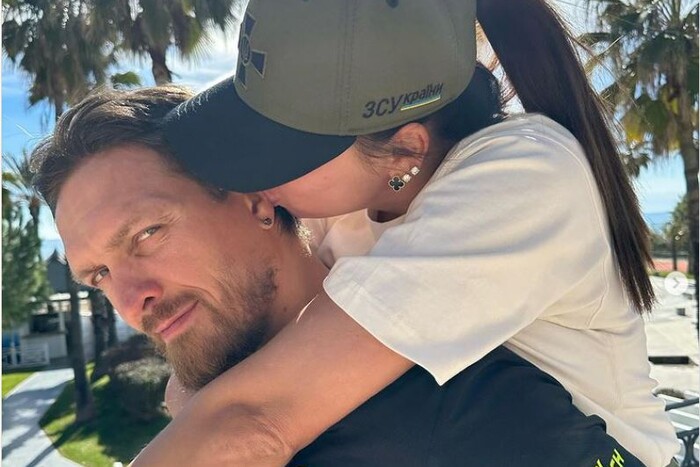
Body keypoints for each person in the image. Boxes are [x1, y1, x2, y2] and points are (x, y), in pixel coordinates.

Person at [132, 0, 679, 465]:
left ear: (404, 150)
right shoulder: (348, 196)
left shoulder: (525, 177)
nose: (254, 179)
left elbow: (253, 417)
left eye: (283, 154)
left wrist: (206, 397)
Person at [31, 86, 646, 467]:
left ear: (257, 198)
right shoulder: (350, 239)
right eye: (99, 275)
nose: (132, 301)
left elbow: (249, 422)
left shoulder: (441, 409)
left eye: (147, 234)